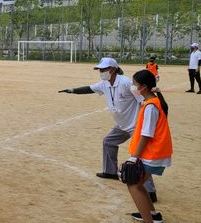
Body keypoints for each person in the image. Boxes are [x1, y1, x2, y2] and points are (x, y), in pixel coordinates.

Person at [58, 57, 158, 201]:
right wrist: (71, 90)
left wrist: (146, 123)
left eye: (103, 69)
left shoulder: (126, 83)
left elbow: (144, 99)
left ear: (113, 69)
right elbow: (89, 89)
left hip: (136, 125)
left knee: (139, 156)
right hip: (122, 125)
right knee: (108, 142)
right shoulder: (104, 84)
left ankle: (150, 191)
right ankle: (110, 171)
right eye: (100, 69)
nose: (101, 72)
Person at [124, 69, 172, 223]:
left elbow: (146, 134)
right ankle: (153, 215)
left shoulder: (151, 106)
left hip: (153, 154)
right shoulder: (152, 102)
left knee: (133, 184)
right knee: (140, 184)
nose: (133, 86)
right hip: (155, 153)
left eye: (135, 84)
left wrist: (133, 157)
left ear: (143, 87)